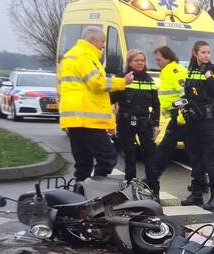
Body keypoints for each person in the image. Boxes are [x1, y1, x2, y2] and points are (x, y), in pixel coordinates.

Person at [58, 25, 133, 181]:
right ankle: (95, 192)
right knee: (108, 157)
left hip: (74, 119)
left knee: (83, 163)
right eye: (102, 42)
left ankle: (79, 196)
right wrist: (122, 82)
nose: (104, 46)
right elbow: (96, 82)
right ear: (92, 40)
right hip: (87, 119)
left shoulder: (71, 55)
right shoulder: (85, 55)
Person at [184, 40, 214, 210]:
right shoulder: (191, 70)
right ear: (195, 54)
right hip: (194, 118)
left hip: (210, 118)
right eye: (203, 52)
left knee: (211, 157)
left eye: (208, 52)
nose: (206, 55)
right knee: (195, 155)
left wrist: (209, 77)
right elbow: (189, 93)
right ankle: (196, 194)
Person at [111, 49, 161, 196]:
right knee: (130, 157)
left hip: (145, 121)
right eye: (136, 60)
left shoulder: (149, 80)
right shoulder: (123, 78)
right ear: (129, 62)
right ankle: (130, 190)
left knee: (150, 157)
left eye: (142, 60)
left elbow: (156, 104)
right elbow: (110, 99)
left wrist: (156, 124)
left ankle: (154, 190)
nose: (140, 63)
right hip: (126, 121)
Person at [152, 45, 190, 180]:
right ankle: (200, 183)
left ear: (167, 58)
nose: (157, 62)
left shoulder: (175, 71)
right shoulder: (167, 71)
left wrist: (180, 117)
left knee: (164, 149)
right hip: (180, 117)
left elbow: (184, 94)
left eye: (159, 59)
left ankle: (152, 177)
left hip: (180, 118)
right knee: (194, 152)